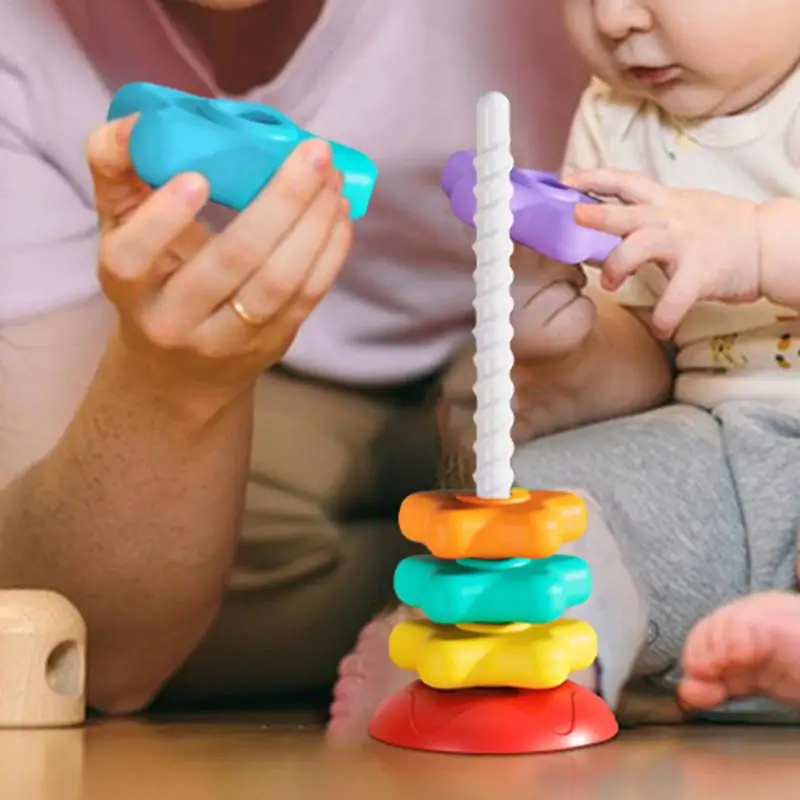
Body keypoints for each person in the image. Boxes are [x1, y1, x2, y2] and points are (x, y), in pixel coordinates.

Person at [0, 0, 614, 714]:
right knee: (117, 552)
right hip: (274, 399)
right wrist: (172, 386)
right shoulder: (25, 43)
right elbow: (81, 649)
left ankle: (493, 596)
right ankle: (473, 607)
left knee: (645, 461)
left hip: (553, 354)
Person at [330, 0, 800, 735]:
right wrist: (574, 340)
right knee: (544, 494)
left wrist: (755, 244)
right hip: (720, 445)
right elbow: (654, 343)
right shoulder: (620, 114)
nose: (612, 19)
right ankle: (531, 660)